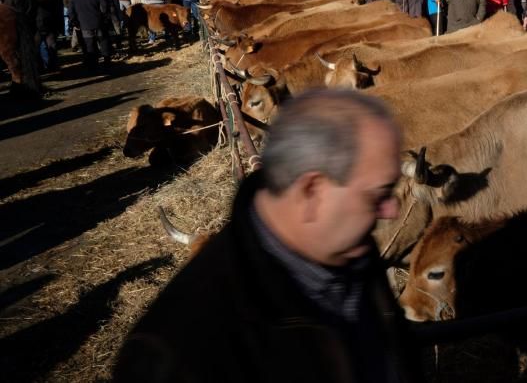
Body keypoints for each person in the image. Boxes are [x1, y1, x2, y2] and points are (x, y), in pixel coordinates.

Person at [114, 90, 419, 382]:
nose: (390, 210)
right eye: (377, 194)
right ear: (312, 190)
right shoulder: (174, 351)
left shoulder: (349, 245)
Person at [69, 0, 112, 70]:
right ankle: (107, 60)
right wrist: (104, 18)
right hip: (98, 23)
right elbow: (104, 9)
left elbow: (71, 13)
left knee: (89, 44)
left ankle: (93, 63)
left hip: (84, 25)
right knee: (103, 41)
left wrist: (75, 23)